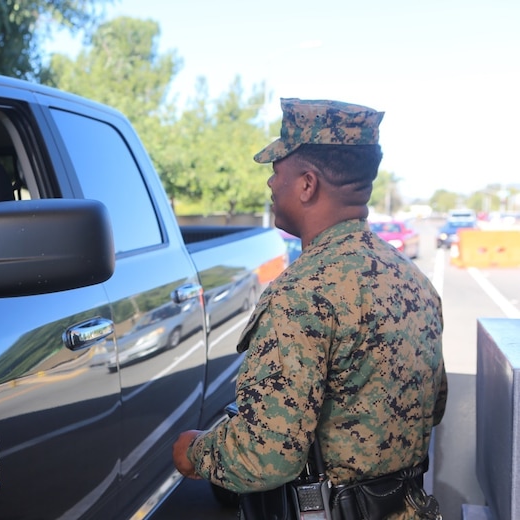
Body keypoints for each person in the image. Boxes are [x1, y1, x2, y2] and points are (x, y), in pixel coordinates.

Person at [172, 98, 447, 518]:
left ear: (306, 184)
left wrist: (194, 451)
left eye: (275, 171)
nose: (269, 185)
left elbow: (265, 454)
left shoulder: (302, 294)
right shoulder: (415, 282)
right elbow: (434, 405)